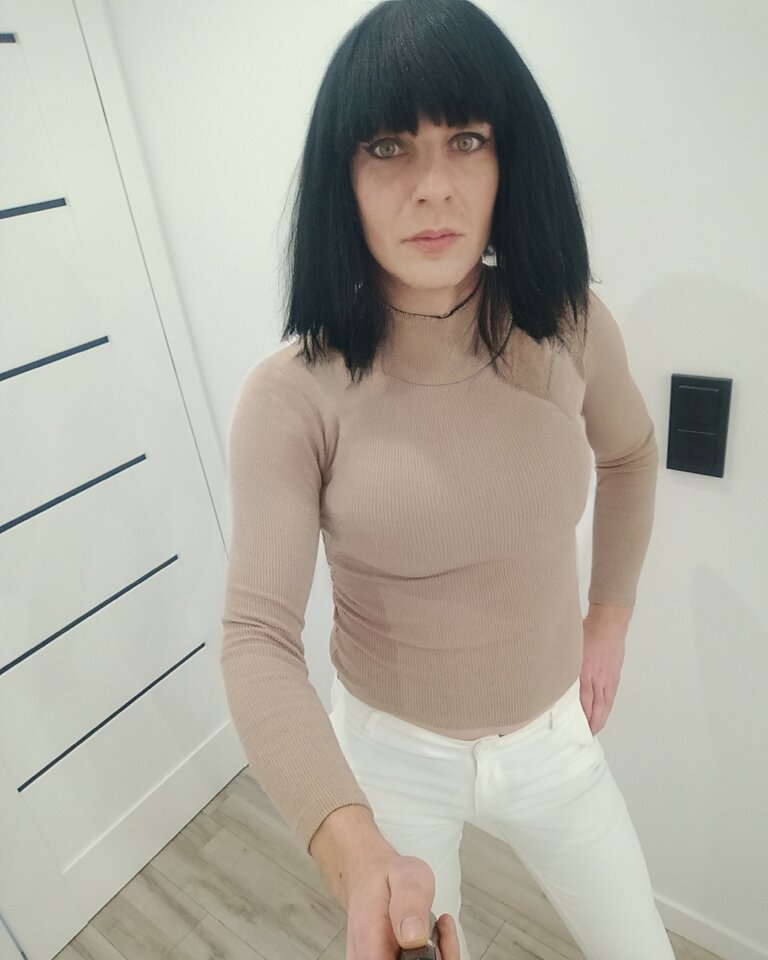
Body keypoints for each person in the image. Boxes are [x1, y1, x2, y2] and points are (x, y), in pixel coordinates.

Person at [219, 2, 674, 958]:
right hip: (392, 757)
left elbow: (631, 454)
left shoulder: (569, 326)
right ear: (342, 177)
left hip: (554, 742)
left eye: (466, 139)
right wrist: (355, 853)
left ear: (510, 160)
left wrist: (609, 619)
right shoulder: (292, 395)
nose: (432, 187)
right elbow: (257, 638)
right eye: (388, 147)